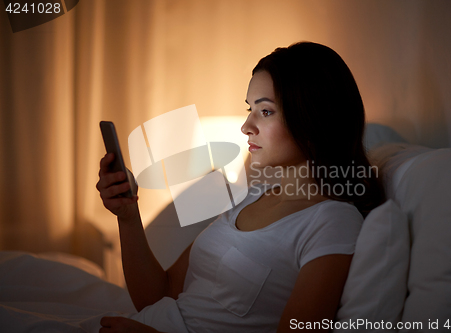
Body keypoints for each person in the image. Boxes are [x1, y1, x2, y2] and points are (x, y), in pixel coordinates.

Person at [95, 41, 385, 333]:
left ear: (312, 120)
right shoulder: (249, 198)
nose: (246, 126)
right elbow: (158, 296)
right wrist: (128, 216)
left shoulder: (332, 222)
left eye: (266, 111)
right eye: (250, 109)